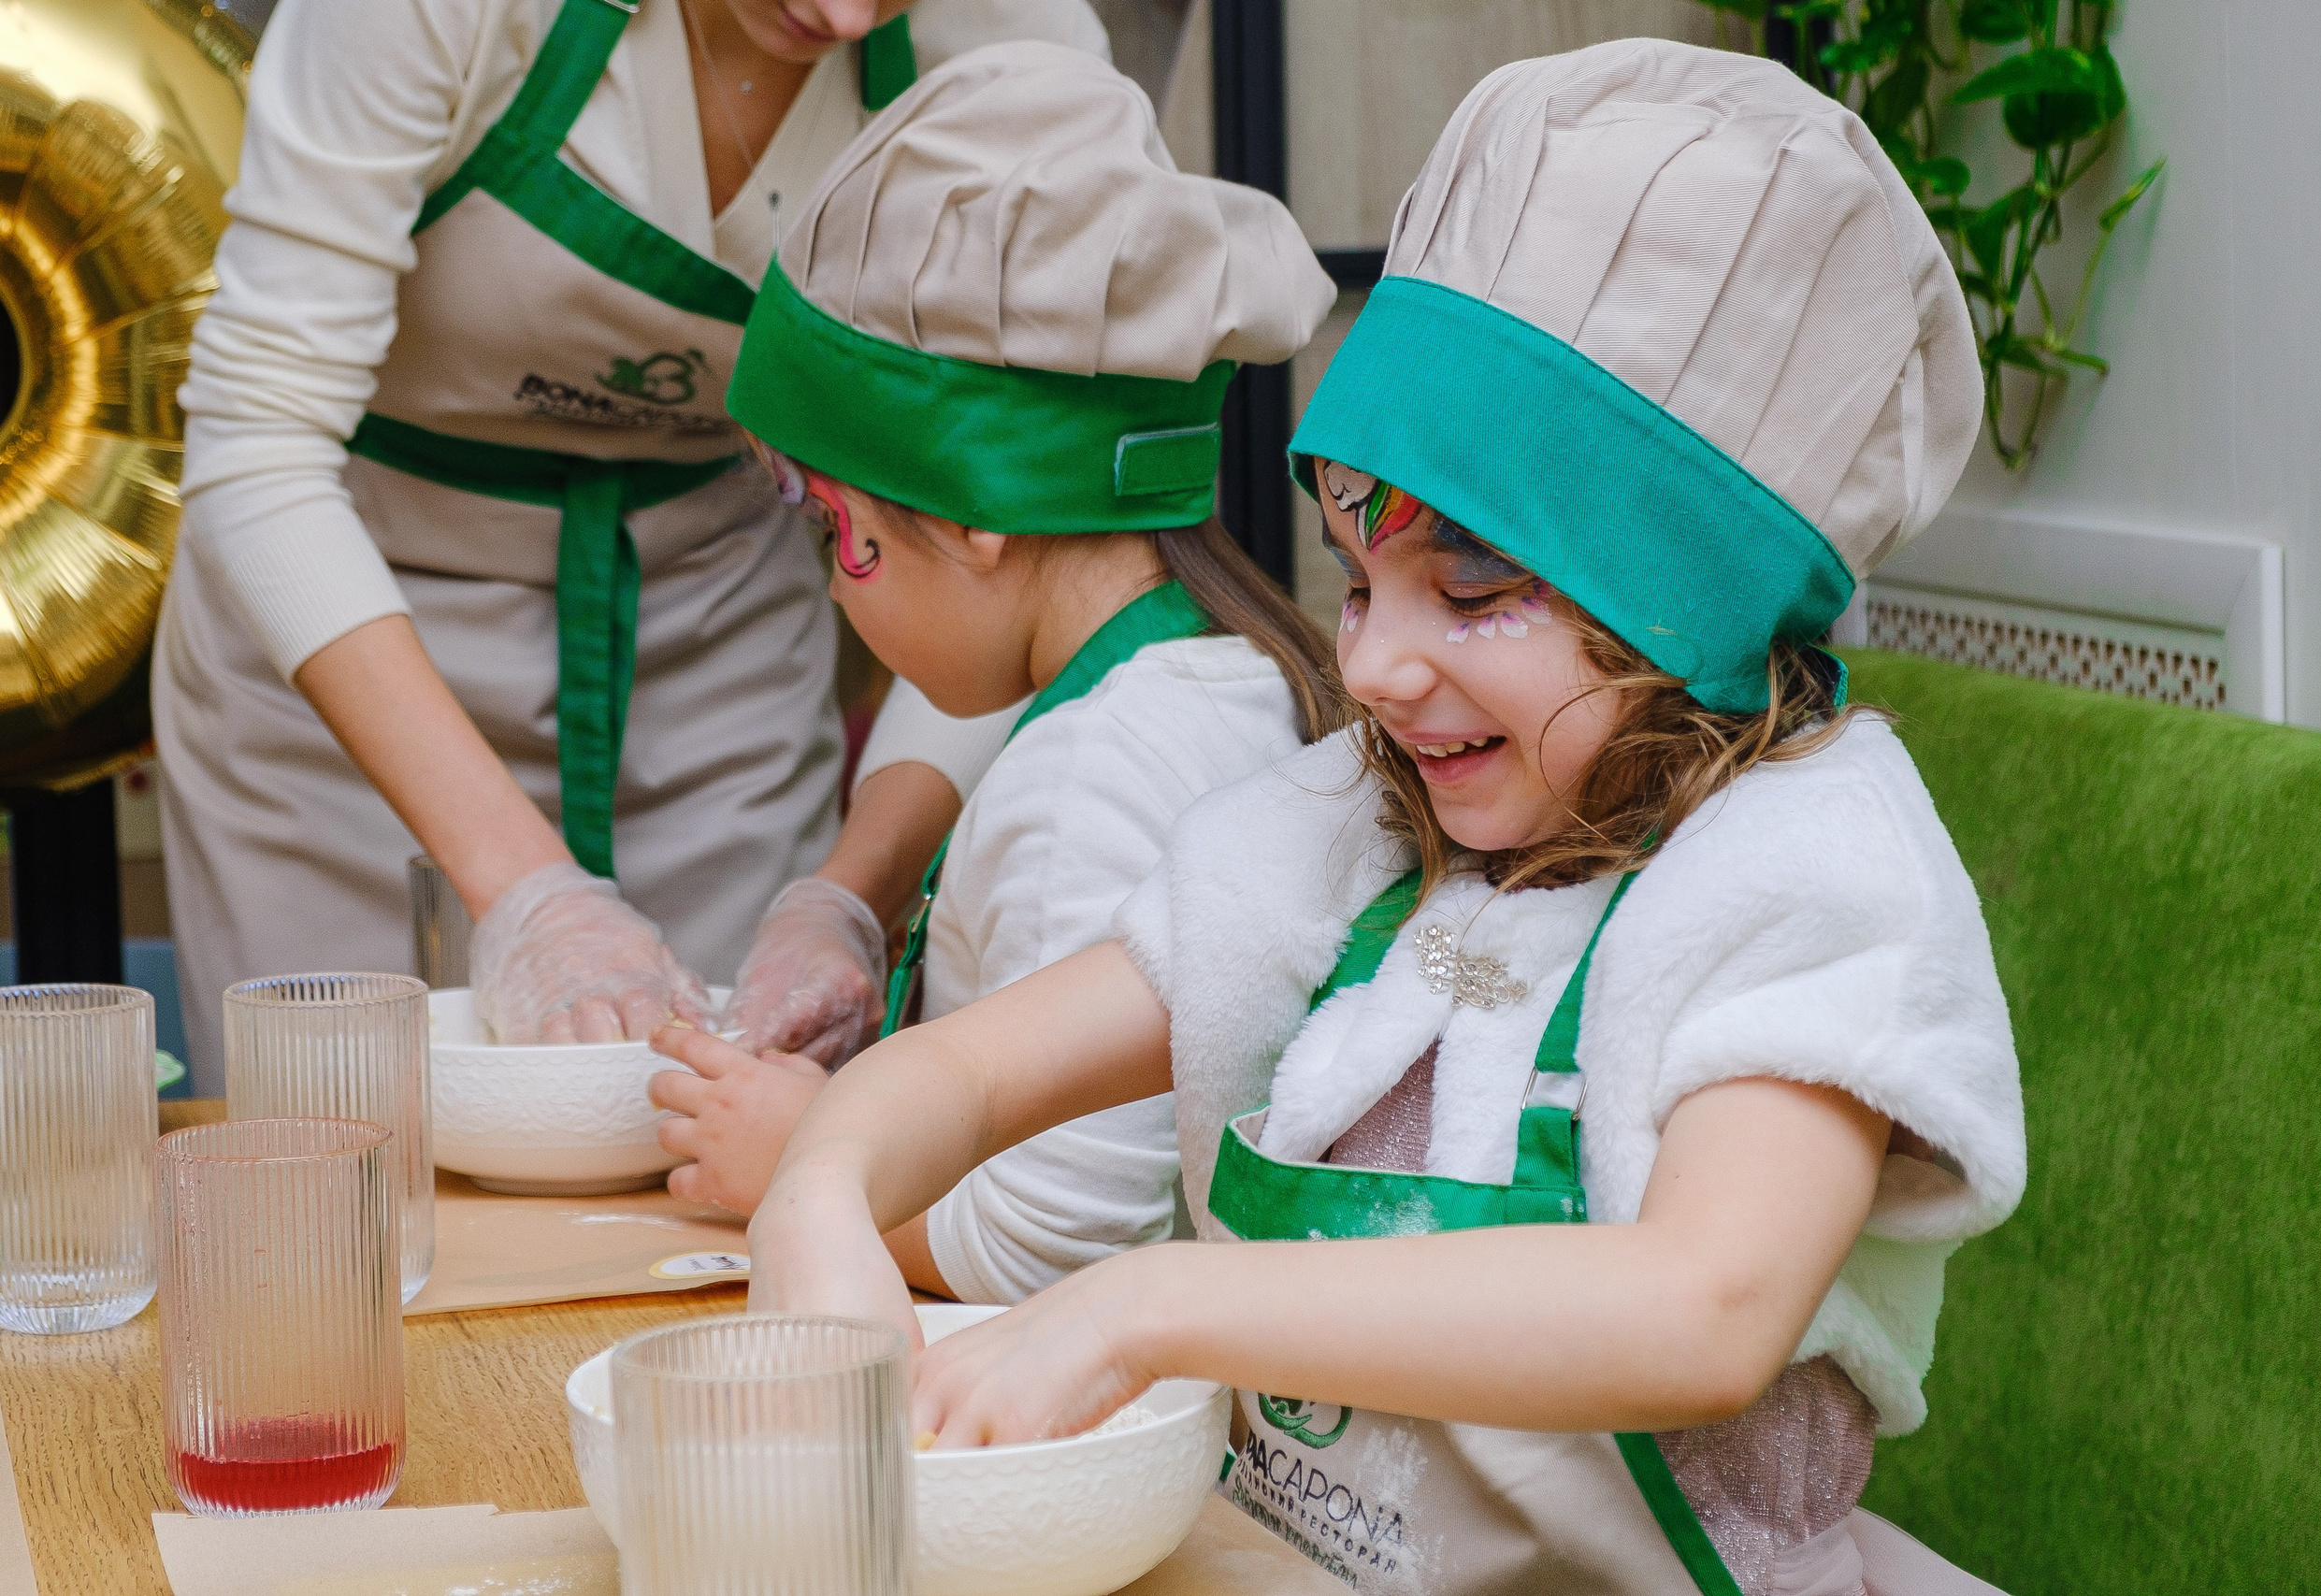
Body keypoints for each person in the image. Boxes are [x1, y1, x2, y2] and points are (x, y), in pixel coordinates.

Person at [740, 39, 2026, 1596]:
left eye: (1472, 594)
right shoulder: (1353, 827)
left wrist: (1141, 1307)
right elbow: (958, 1073)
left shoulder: (1808, 876)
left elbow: (1700, 1311)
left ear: (1683, 608)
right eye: (1359, 579)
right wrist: (820, 1193)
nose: (1370, 660)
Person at [159, 0, 1108, 1088]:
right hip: (345, 653)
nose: (843, 14)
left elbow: (1031, 541)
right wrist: (529, 897)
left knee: (721, 1155)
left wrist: (848, 895)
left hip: (715, 634)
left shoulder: (1014, 46)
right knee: (347, 1166)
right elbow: (258, 443)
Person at [647, 43, 1341, 1306]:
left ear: (971, 518)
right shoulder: (1226, 669)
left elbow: (1060, 1243)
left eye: (829, 530)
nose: (837, 586)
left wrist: (801, 1157)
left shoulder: (1094, 778)